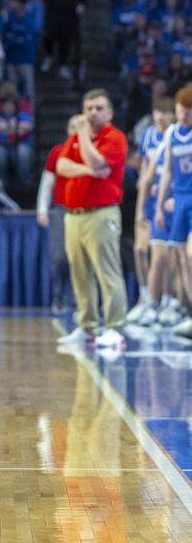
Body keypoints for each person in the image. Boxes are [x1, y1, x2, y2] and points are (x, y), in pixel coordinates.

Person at [56, 89, 129, 349]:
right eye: (88, 109)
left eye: (98, 108)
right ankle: (87, 326)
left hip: (102, 214)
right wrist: (88, 170)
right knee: (79, 272)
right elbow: (61, 166)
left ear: (109, 113)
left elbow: (98, 161)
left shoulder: (115, 138)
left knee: (107, 271)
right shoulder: (75, 138)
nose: (92, 114)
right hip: (74, 215)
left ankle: (114, 327)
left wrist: (84, 136)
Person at [128, 97, 183, 327]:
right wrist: (141, 209)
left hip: (175, 201)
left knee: (168, 257)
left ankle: (166, 301)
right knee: (141, 250)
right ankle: (147, 298)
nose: (159, 116)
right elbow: (145, 176)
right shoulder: (149, 136)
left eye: (165, 112)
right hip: (153, 202)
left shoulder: (177, 137)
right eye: (156, 112)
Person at [154, 86, 192, 338]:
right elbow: (167, 170)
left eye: (188, 114)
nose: (183, 118)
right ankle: (188, 309)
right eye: (180, 113)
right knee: (179, 257)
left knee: (190, 254)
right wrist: (159, 203)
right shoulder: (171, 134)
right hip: (179, 199)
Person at [37, 115, 82, 315]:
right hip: (61, 211)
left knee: (80, 258)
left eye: (80, 126)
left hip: (84, 211)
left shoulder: (90, 151)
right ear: (67, 129)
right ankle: (58, 297)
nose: (76, 130)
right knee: (59, 257)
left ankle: (77, 300)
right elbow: (47, 182)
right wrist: (42, 208)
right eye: (73, 126)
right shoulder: (58, 152)